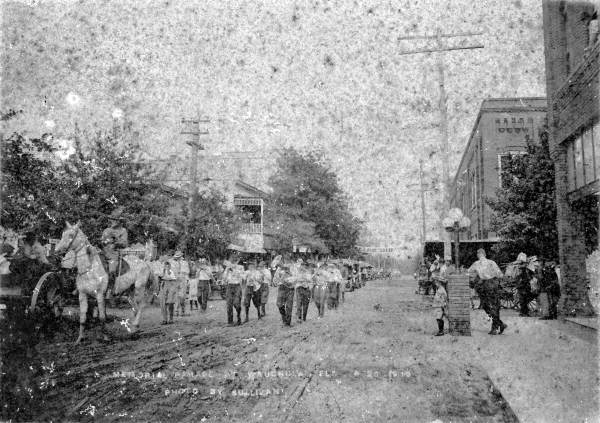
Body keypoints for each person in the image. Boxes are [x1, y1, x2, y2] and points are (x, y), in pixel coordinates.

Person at [468, 248, 507, 335]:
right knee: (494, 306)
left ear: (478, 255)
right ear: (485, 254)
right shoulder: (491, 262)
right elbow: (500, 274)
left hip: (484, 286)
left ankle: (496, 326)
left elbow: (469, 273)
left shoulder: (476, 263)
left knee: (486, 306)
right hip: (492, 284)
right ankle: (500, 324)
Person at [101, 207, 128, 294]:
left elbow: (124, 244)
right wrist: (103, 242)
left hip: (114, 254)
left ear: (119, 221)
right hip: (103, 252)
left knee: (112, 270)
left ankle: (110, 290)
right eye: (112, 219)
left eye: (115, 220)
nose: (113, 221)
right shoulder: (106, 230)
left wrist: (115, 241)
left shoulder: (123, 231)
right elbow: (102, 241)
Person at [223, 260, 243, 326]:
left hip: (237, 286)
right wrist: (227, 270)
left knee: (237, 303)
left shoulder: (240, 267)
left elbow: (242, 277)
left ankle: (238, 317)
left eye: (235, 260)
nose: (233, 263)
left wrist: (234, 271)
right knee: (229, 304)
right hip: (229, 286)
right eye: (232, 261)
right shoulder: (228, 268)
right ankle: (230, 321)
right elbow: (224, 278)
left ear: (237, 261)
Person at [514, 253, 535, 317]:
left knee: (523, 300)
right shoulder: (523, 270)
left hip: (523, 286)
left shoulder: (524, 270)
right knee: (523, 300)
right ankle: (524, 312)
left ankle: (524, 312)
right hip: (523, 286)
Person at [169, 251, 189, 317]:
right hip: (175, 281)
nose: (177, 258)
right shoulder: (173, 263)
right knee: (176, 296)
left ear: (181, 257)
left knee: (182, 296)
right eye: (176, 257)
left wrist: (182, 274)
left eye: (178, 257)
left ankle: (183, 310)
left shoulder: (185, 263)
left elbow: (187, 272)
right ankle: (176, 311)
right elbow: (171, 271)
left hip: (183, 281)